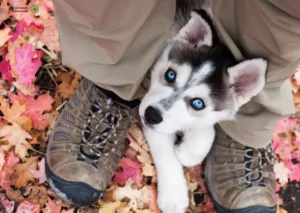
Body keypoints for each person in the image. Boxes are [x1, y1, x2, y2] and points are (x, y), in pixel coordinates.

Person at [46, 0, 300, 212]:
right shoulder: (185, 44)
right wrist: (169, 167)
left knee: (278, 13)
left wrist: (202, 133)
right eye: (170, 76)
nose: (160, 105)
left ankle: (248, 126)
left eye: (197, 103)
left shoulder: (232, 89)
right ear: (188, 36)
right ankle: (111, 74)